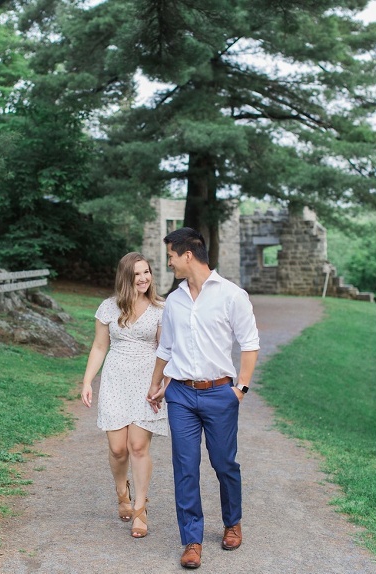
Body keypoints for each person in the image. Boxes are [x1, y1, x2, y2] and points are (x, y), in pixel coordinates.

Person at [145, 227, 260, 570]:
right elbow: (166, 348)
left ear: (187, 255)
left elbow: (250, 343)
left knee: (224, 463)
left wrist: (240, 390)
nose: (169, 263)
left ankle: (232, 522)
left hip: (219, 393)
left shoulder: (232, 295)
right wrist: (156, 385)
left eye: (171, 256)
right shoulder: (175, 300)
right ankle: (191, 540)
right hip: (180, 393)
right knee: (185, 467)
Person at [81, 252, 167, 539]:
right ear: (126, 278)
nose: (143, 278)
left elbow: (165, 351)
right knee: (118, 448)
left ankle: (140, 510)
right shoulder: (108, 308)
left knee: (138, 446)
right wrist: (87, 381)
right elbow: (99, 347)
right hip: (115, 379)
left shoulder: (160, 309)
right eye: (137, 274)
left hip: (146, 381)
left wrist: (161, 384)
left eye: (147, 272)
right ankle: (122, 491)